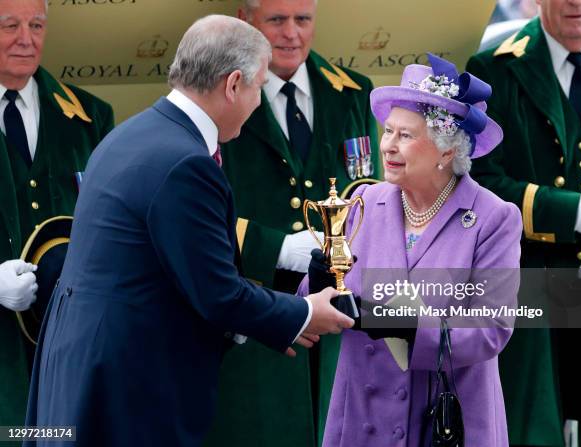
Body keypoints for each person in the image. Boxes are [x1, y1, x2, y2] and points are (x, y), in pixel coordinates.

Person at [23, 15, 353, 447]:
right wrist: (306, 312)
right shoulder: (186, 162)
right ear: (233, 84)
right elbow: (217, 293)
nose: (258, 103)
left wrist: (268, 322)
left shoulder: (135, 133)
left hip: (87, 367)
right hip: (124, 386)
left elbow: (174, 275)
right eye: (258, 87)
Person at [302, 54, 523, 446]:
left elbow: (490, 330)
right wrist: (316, 285)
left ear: (446, 151)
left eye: (406, 136)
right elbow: (326, 305)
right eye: (388, 131)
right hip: (363, 420)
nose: (388, 146)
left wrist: (403, 325)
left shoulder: (493, 218)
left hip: (446, 421)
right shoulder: (365, 202)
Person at [204, 1, 380, 445]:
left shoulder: (351, 92)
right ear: (247, 22)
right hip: (255, 306)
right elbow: (200, 214)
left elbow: (370, 190)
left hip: (336, 307)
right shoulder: (218, 95)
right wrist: (276, 247)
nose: (291, 34)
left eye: (302, 20)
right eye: (276, 21)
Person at [467, 0, 581, 445]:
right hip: (530, 284)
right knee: (533, 426)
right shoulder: (493, 68)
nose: (576, 3)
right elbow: (480, 182)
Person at [0, 0, 113, 434]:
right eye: (10, 25)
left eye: (36, 25)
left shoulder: (89, 118)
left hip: (71, 339)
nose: (26, 39)